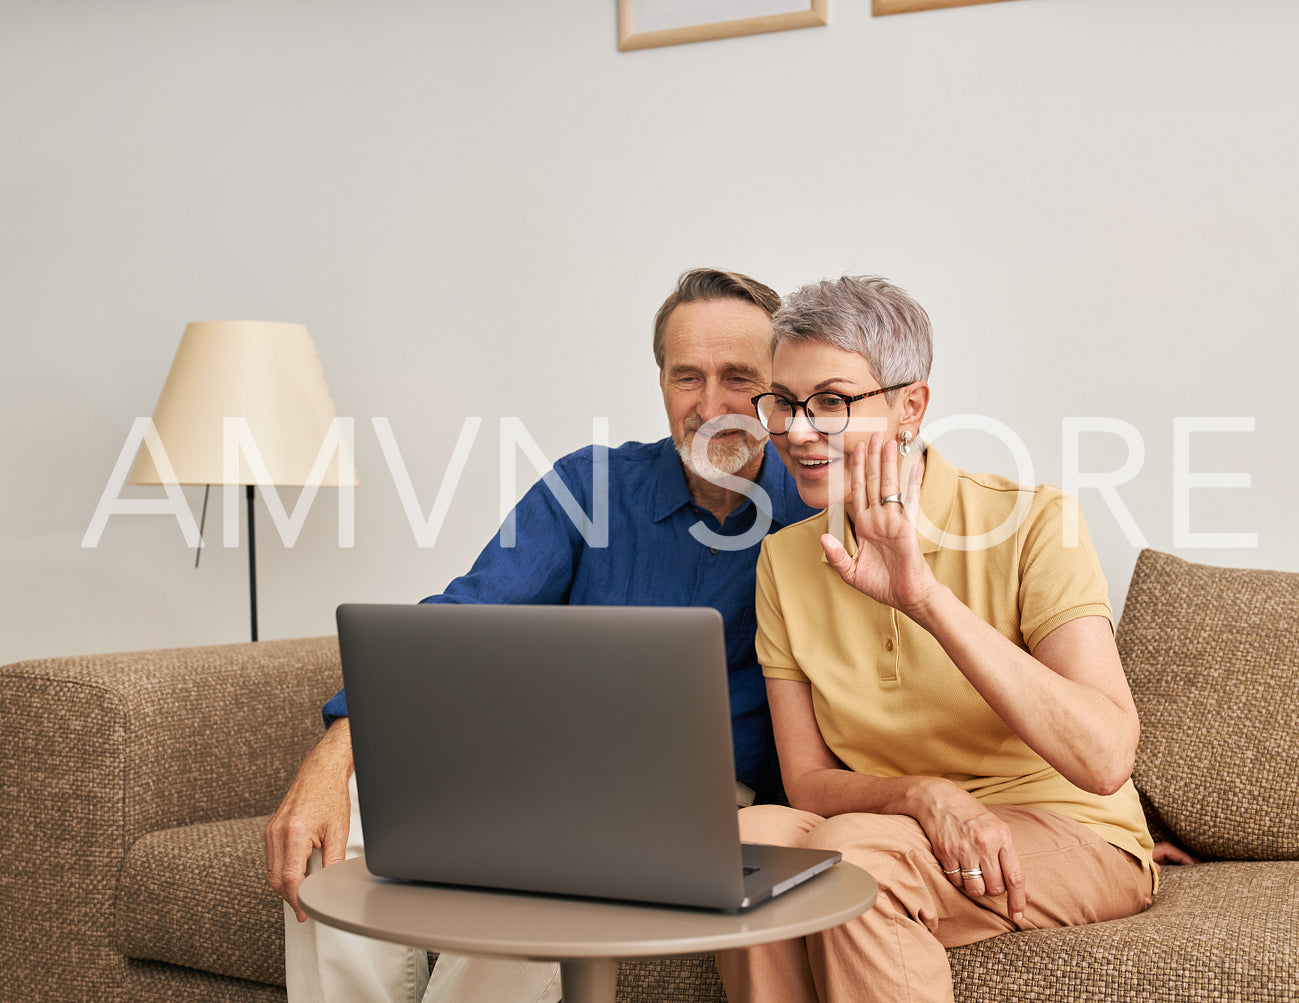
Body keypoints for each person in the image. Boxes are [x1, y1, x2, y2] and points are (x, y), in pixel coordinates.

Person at [264, 267, 817, 1003]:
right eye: (687, 376)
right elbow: (462, 619)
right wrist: (337, 752)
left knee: (546, 874)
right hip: (530, 766)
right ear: (659, 382)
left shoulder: (816, 512)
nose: (710, 405)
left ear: (778, 388)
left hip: (698, 799)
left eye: (737, 377)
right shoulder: (587, 485)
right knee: (332, 843)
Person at [715, 276, 1159, 1002]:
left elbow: (1104, 756)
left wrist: (922, 596)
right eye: (785, 402)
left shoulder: (1034, 522)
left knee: (852, 859)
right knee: (741, 846)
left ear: (908, 406)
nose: (796, 431)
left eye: (830, 401)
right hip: (888, 823)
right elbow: (807, 781)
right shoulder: (786, 560)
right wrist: (926, 795)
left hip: (1068, 828)